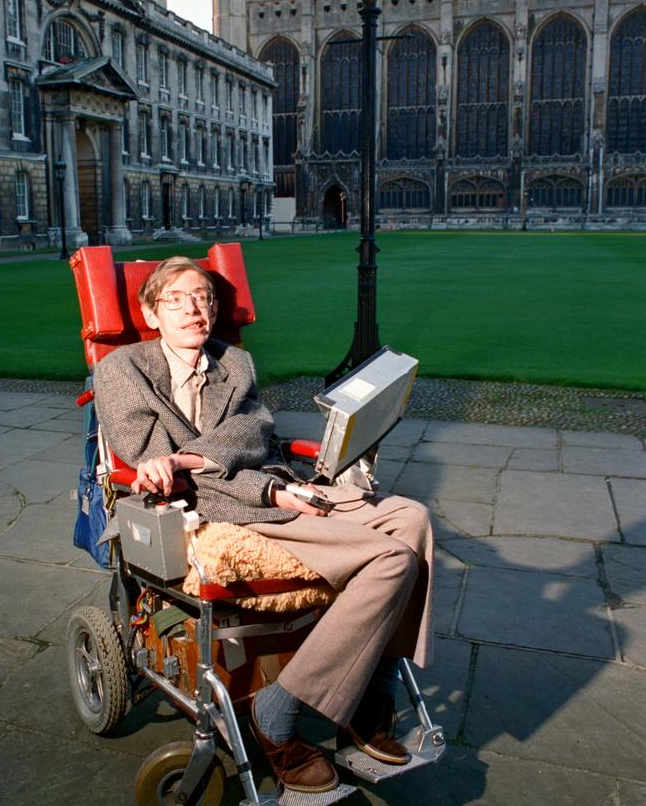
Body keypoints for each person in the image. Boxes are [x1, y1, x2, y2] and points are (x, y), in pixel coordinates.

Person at [93, 256, 434, 795]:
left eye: (204, 297)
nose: (194, 309)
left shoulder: (237, 364)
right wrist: (273, 491)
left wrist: (269, 479)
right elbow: (165, 472)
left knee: (413, 516)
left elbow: (255, 436)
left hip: (273, 486)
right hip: (215, 509)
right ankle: (277, 713)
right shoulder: (122, 370)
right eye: (176, 299)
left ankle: (371, 689)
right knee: (393, 559)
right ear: (150, 313)